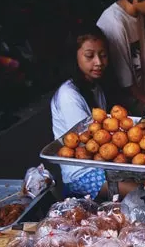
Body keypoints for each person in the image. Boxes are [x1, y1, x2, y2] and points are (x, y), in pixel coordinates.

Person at [50, 25, 136, 199]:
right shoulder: (69, 95)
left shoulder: (95, 87)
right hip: (81, 173)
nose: (98, 62)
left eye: (103, 55)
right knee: (142, 193)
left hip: (101, 164)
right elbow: (89, 143)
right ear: (74, 56)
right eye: (89, 56)